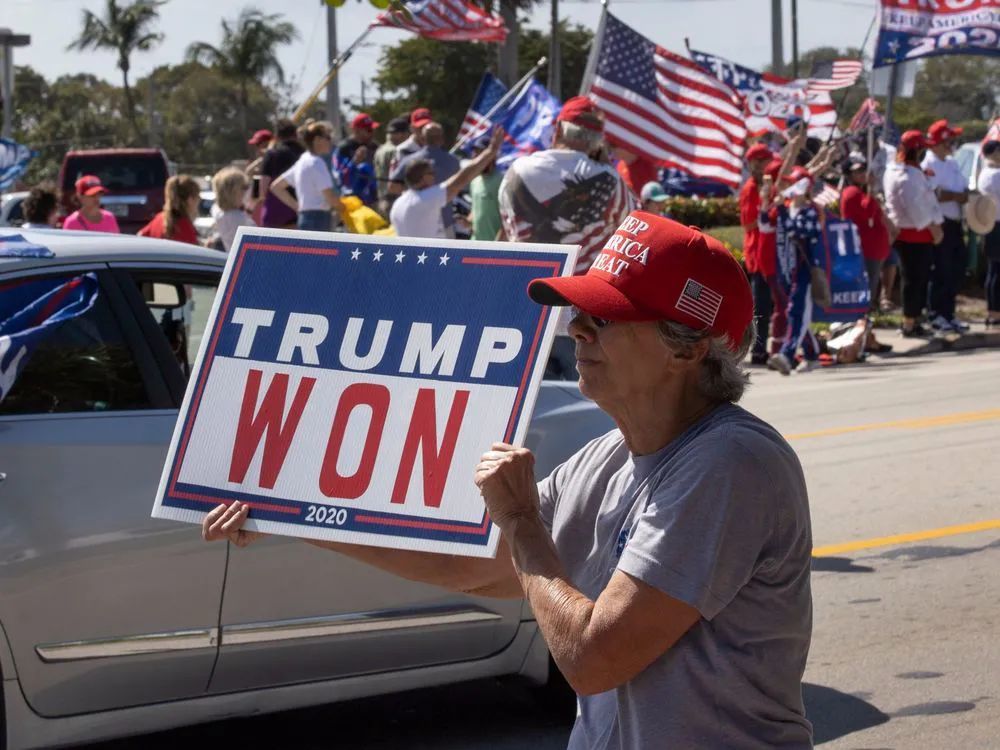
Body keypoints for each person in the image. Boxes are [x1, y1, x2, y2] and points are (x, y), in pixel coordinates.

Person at [203, 211, 813, 749]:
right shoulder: (610, 457)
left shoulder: (729, 464)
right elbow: (478, 566)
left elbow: (594, 658)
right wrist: (293, 514)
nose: (577, 329)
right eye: (580, 311)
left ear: (687, 351)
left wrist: (521, 520)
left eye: (606, 316)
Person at [498, 96, 633, 273]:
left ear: (559, 129)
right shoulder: (609, 179)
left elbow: (509, 234)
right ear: (597, 140)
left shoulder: (516, 172)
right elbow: (630, 233)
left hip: (528, 289)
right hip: (581, 294)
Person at [390, 127, 504, 239]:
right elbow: (461, 180)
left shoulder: (399, 204)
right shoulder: (426, 199)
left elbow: (392, 187)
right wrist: (491, 151)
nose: (435, 177)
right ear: (424, 178)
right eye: (432, 173)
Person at [883, 130, 944, 337]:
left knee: (919, 278)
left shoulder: (905, 171)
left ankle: (914, 318)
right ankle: (909, 322)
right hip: (914, 232)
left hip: (917, 231)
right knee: (913, 279)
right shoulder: (906, 175)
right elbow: (915, 207)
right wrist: (933, 227)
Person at [763, 166, 823, 375]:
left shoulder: (810, 211)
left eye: (794, 183)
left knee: (796, 313)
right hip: (785, 272)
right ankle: (812, 355)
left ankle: (787, 356)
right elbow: (764, 225)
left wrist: (780, 209)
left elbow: (796, 231)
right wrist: (765, 202)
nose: (789, 187)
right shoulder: (786, 209)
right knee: (797, 314)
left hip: (803, 273)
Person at [922, 119, 970, 333]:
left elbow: (962, 188)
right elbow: (933, 194)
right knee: (940, 270)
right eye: (949, 141)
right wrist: (954, 196)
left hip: (956, 221)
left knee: (956, 269)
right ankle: (935, 313)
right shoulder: (929, 165)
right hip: (940, 223)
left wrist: (961, 196)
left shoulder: (952, 163)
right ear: (937, 144)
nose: (952, 146)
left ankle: (949, 313)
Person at [389, 122, 461, 237]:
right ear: (442, 139)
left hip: (417, 221)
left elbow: (392, 187)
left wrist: (413, 190)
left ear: (423, 139)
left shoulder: (409, 161)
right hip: (446, 221)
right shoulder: (453, 162)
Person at [840, 157, 893, 312]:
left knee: (872, 282)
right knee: (867, 284)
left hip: (873, 247)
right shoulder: (851, 193)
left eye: (864, 170)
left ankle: (868, 310)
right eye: (858, 172)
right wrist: (871, 190)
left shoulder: (862, 193)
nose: (863, 174)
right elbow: (867, 213)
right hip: (865, 246)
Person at [740, 142, 776, 365]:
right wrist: (767, 210)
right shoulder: (751, 188)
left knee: (771, 305)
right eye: (763, 161)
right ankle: (759, 351)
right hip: (758, 254)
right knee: (761, 307)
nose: (767, 165)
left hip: (770, 252)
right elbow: (747, 223)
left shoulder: (766, 185)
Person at [269, 121, 341, 232]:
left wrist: (298, 207)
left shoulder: (303, 161)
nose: (330, 142)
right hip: (319, 219)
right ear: (317, 139)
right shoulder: (317, 162)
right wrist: (344, 207)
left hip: (304, 218)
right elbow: (329, 195)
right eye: (328, 137)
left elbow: (276, 186)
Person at [259, 118, 305, 229]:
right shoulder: (305, 155)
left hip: (274, 216)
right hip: (299, 216)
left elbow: (262, 189)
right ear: (295, 134)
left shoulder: (272, 155)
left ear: (277, 136)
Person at [333, 113, 380, 206]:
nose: (372, 133)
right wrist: (355, 162)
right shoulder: (344, 148)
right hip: (352, 201)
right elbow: (339, 178)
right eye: (368, 130)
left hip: (374, 199)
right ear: (356, 131)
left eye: (372, 129)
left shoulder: (375, 147)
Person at [138, 175, 201, 244]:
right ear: (190, 200)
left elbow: (140, 235)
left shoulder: (159, 219)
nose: (199, 200)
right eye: (198, 196)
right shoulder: (184, 228)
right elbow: (196, 253)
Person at [209, 167, 256, 253]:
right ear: (232, 191)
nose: (246, 191)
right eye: (244, 187)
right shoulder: (239, 218)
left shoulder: (216, 210)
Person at [978, 140, 1000, 328]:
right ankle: (994, 313)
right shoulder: (993, 175)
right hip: (996, 224)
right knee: (996, 271)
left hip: (992, 224)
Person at [467, 136, 503, 241]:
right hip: (474, 243)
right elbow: (475, 209)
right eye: (474, 152)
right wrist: (467, 221)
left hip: (494, 247)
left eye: (479, 152)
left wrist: (498, 244)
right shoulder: (474, 181)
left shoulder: (502, 181)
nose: (475, 156)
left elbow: (508, 217)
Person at [374, 116, 410, 216]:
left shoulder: (380, 149)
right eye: (407, 133)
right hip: (393, 200)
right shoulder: (395, 151)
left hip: (382, 198)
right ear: (400, 134)